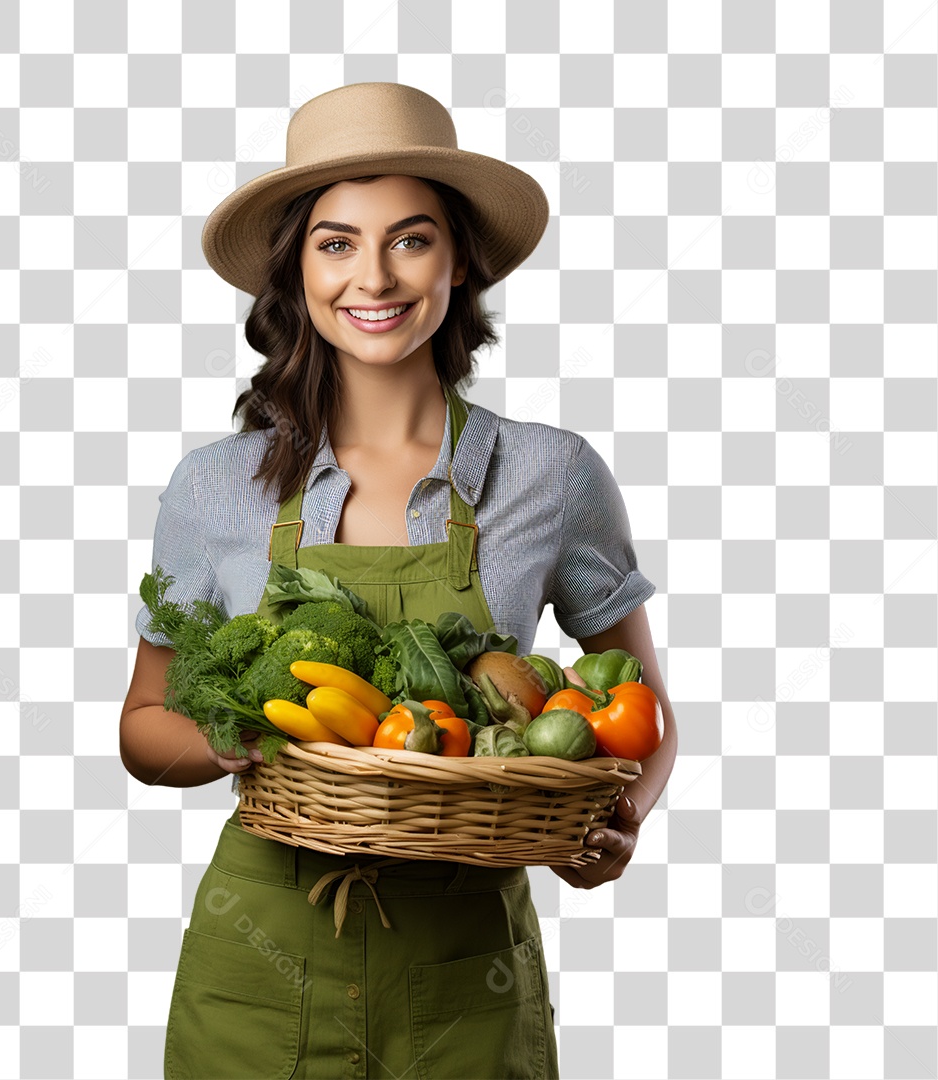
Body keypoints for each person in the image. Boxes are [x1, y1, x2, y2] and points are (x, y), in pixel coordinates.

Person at [120, 82, 677, 1080]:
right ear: (295, 267)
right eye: (335, 242)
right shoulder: (213, 487)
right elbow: (142, 728)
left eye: (410, 239)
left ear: (459, 260)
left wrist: (618, 825)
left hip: (466, 982)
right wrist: (235, 732)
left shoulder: (553, 477)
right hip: (260, 970)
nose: (372, 275)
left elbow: (639, 706)